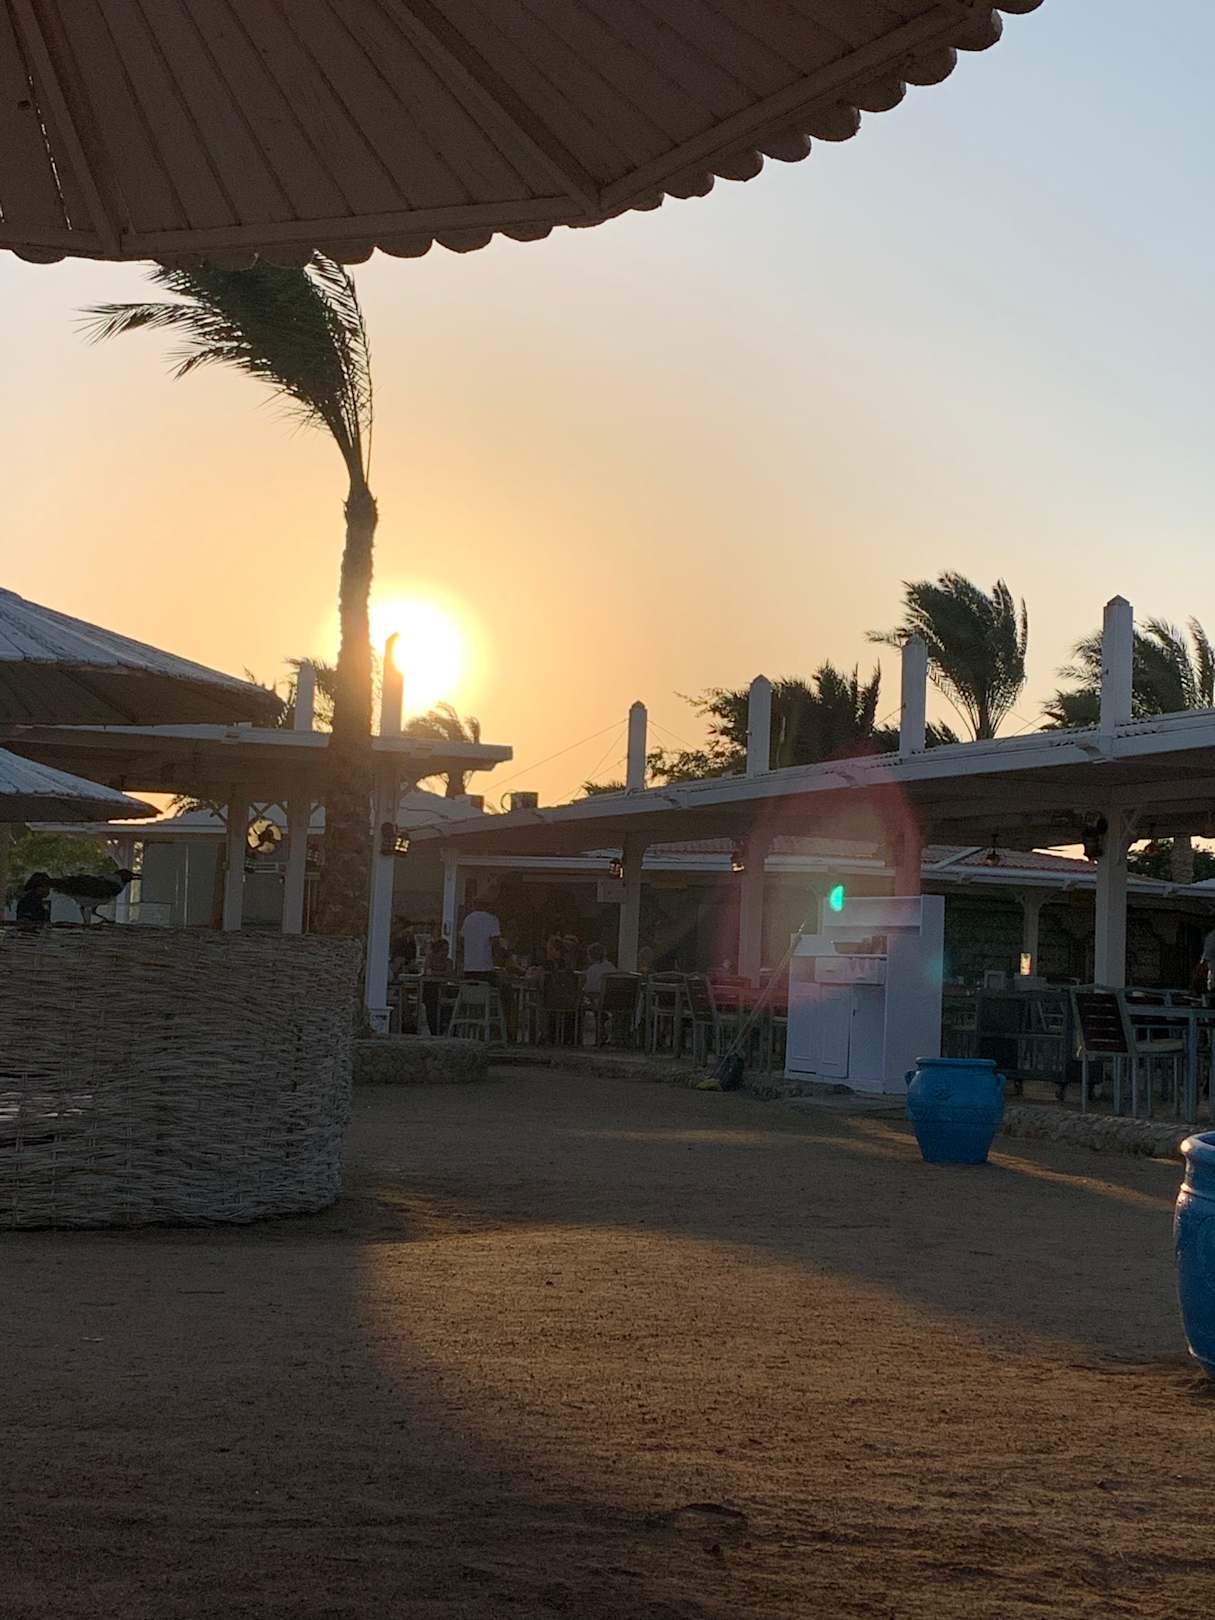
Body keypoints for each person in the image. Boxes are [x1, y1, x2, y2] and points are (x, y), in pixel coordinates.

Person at [460, 898, 502, 980]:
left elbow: (462, 940)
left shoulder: (468, 919)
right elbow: (495, 942)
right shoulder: (492, 919)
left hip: (469, 967)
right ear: (488, 905)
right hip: (485, 967)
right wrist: (498, 958)